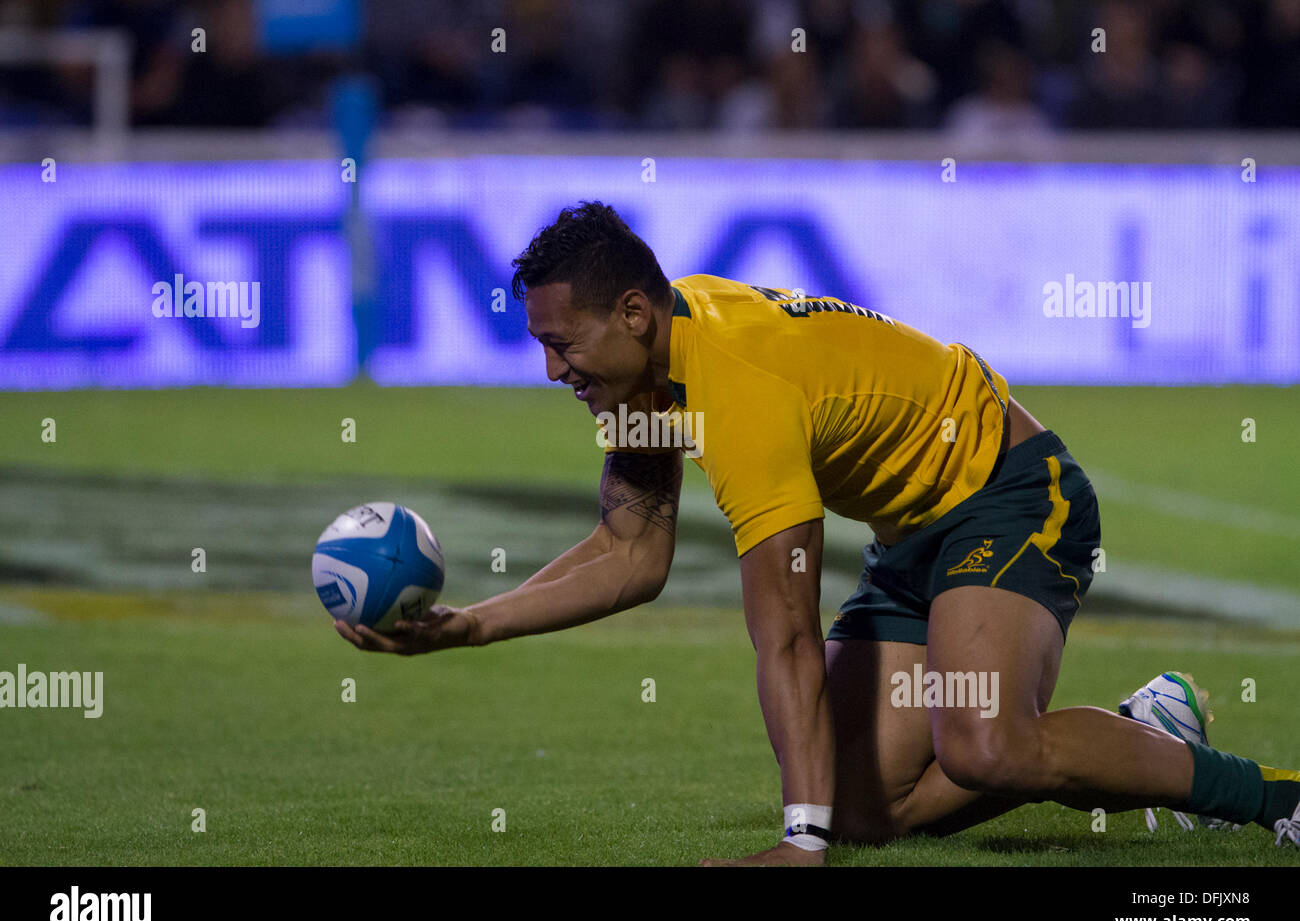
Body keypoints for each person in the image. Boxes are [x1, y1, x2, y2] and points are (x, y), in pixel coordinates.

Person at [336, 201, 1300, 865]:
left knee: (984, 749)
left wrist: (799, 843)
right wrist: (471, 625)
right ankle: (1139, 730)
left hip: (1009, 495)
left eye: (561, 343)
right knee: (865, 810)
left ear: (631, 312)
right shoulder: (654, 369)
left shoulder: (740, 392)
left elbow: (786, 633)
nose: (552, 370)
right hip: (912, 538)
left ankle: (1275, 794)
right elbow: (632, 551)